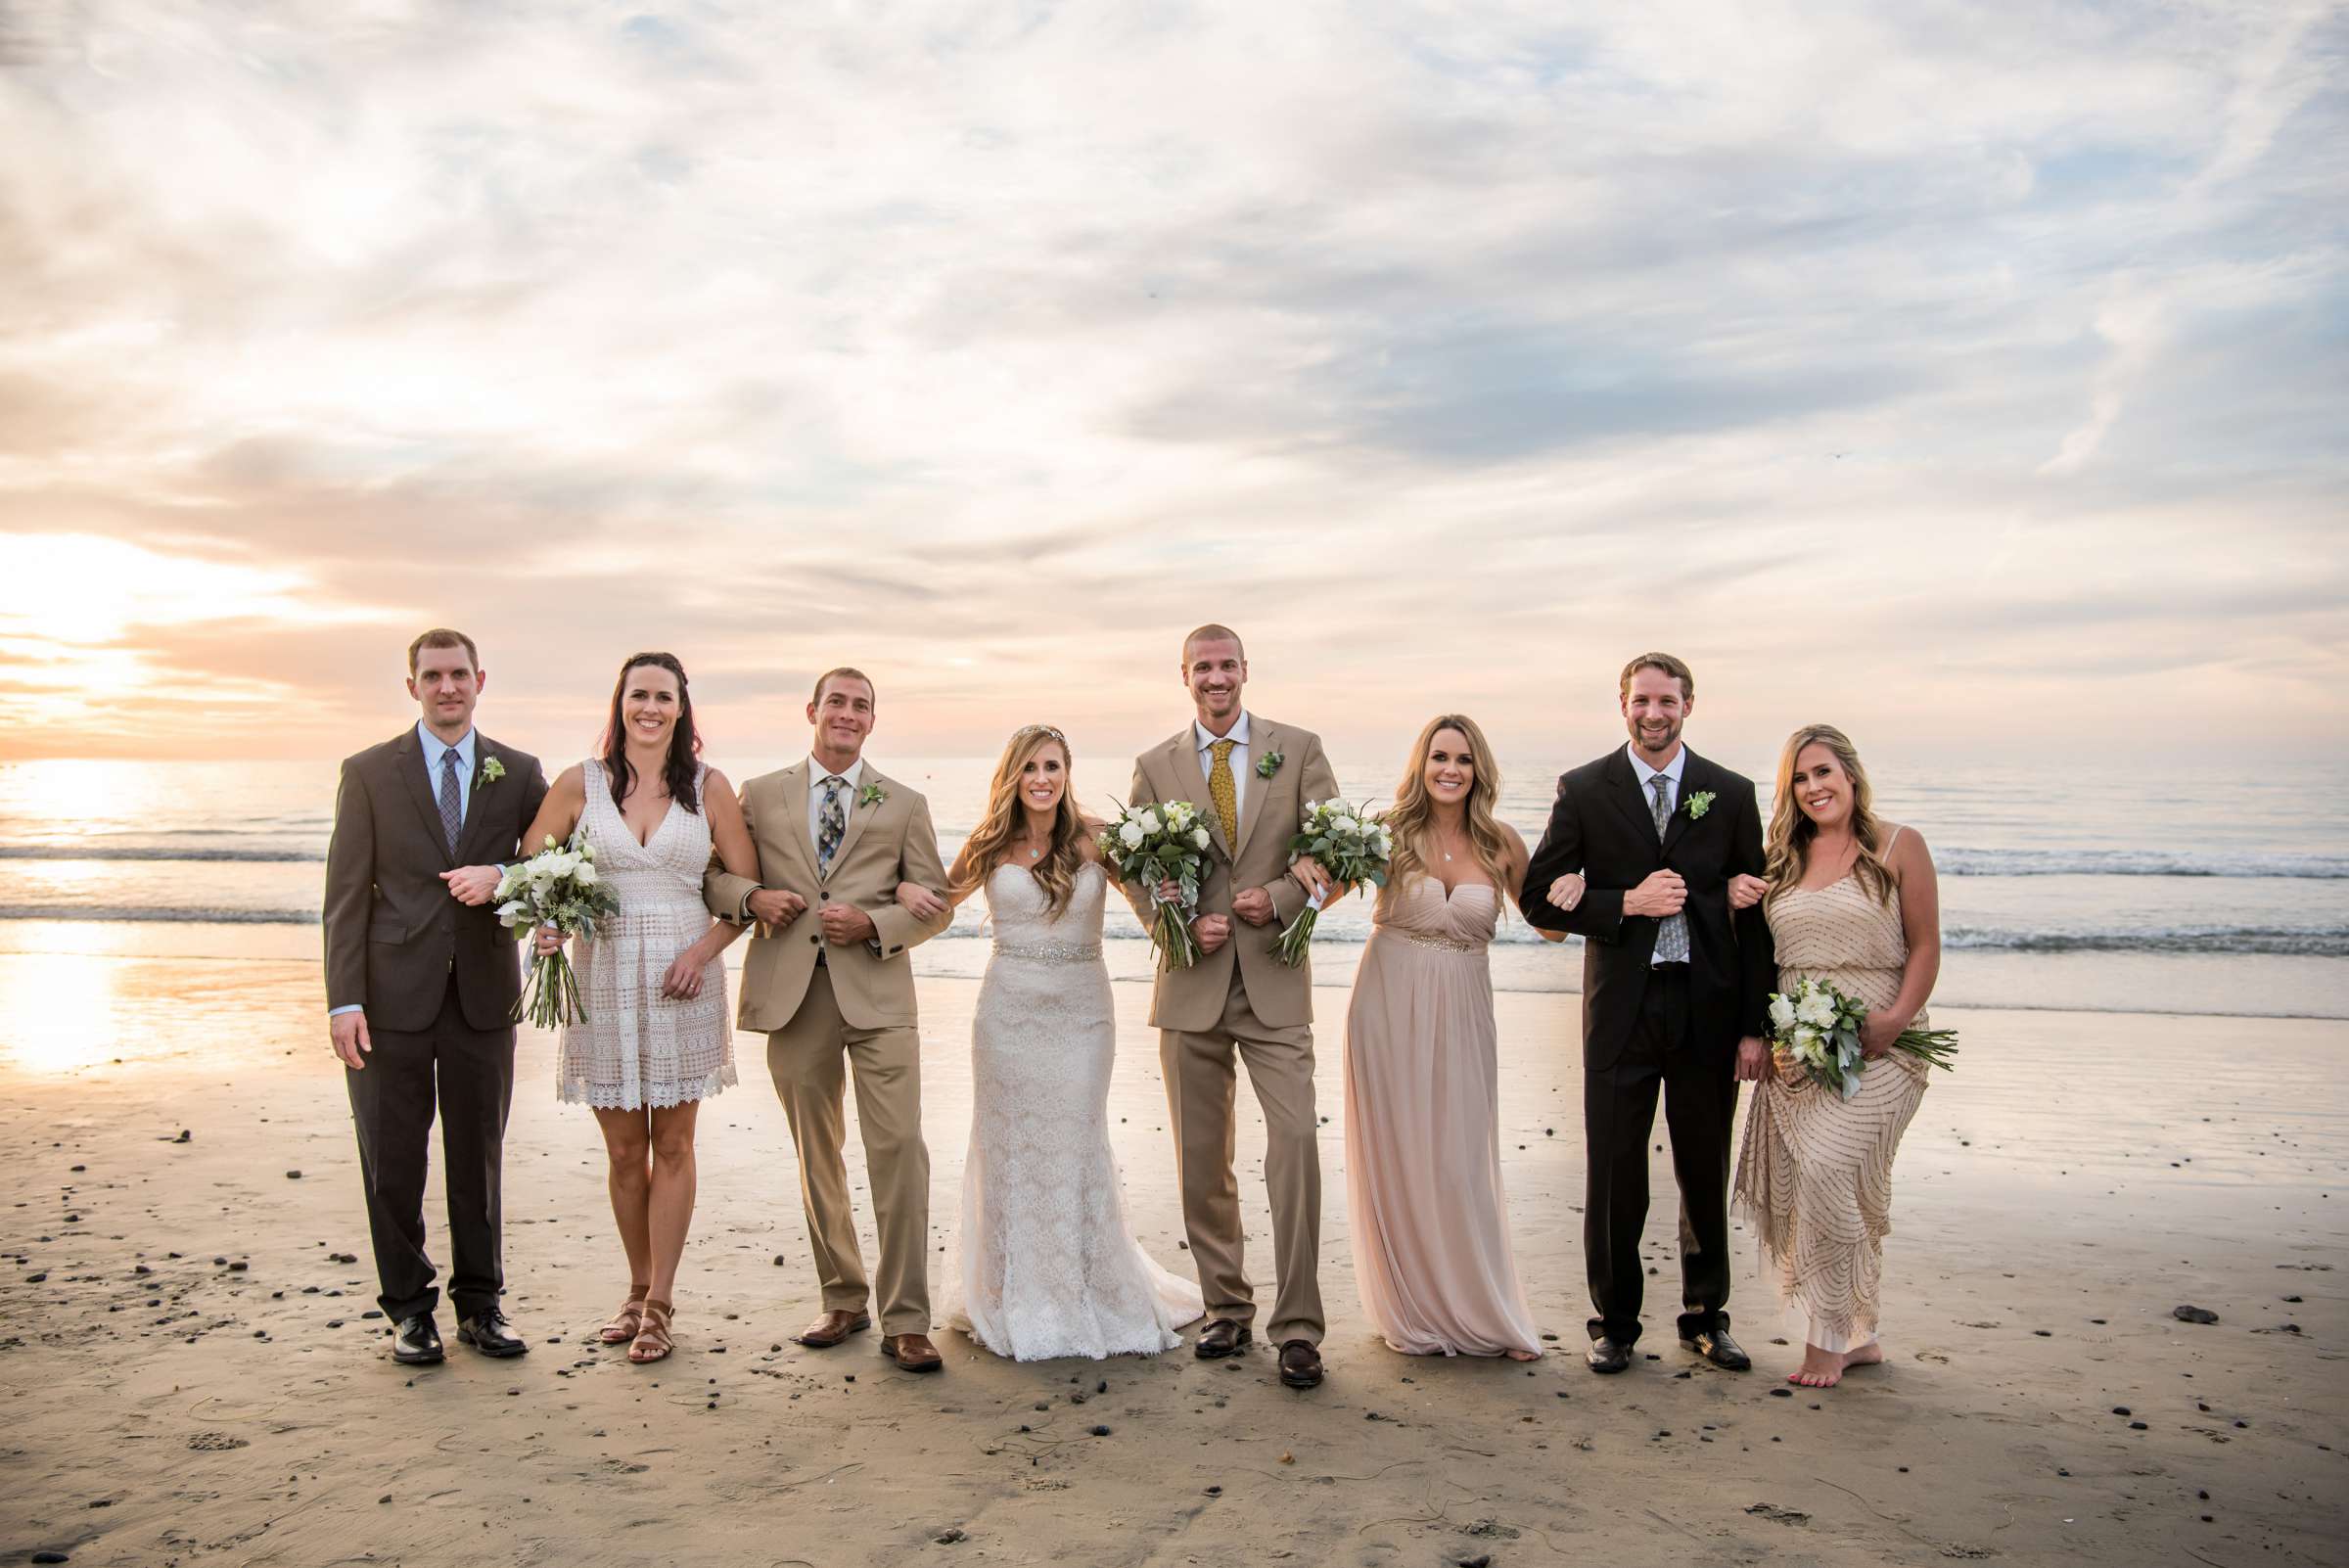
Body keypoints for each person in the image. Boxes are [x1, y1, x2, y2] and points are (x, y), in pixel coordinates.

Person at [448, 653, 759, 1362]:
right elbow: (528, 876)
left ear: (683, 709)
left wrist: (700, 954)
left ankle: (660, 1306)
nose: (650, 707)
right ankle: (634, 1286)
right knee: (624, 1151)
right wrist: (548, 924)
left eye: (664, 697)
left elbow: (745, 894)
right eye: (638, 694)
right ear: (621, 703)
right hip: (605, 973)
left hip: (684, 979)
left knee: (674, 1144)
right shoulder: (578, 785)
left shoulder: (710, 790)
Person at [1520, 652, 1773, 1375]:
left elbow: (1752, 914)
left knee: (1703, 1166)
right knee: (1614, 1171)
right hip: (1621, 1009)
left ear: (1689, 705)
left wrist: (1756, 1026)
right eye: (1641, 701)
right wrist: (1622, 902)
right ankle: (1616, 1324)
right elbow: (1538, 898)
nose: (1653, 713)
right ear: (1622, 704)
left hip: (1707, 1007)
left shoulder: (1729, 792)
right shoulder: (1585, 789)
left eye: (1667, 701)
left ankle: (1706, 1316)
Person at [922, 724, 1203, 1360]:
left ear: (1066, 773)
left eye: (1052, 766)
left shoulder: (1098, 838)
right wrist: (900, 899)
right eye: (1030, 768)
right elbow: (939, 903)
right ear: (1013, 777)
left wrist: (1167, 901)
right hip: (1006, 1016)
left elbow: (1150, 915)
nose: (1042, 778)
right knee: (1011, 1149)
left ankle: (1082, 1289)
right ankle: (1011, 1290)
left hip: (1082, 1016)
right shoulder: (989, 843)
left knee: (1075, 1143)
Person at [702, 668, 955, 1372]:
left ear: (873, 721)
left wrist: (875, 921)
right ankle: (842, 1296)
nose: (848, 714)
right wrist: (752, 899)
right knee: (819, 1154)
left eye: (861, 706)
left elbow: (938, 901)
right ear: (813, 710)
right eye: (837, 702)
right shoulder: (759, 794)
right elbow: (714, 876)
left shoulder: (905, 803)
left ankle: (907, 1317)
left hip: (877, 997)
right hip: (792, 997)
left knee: (900, 1147)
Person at [322, 628, 549, 1365]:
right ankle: (410, 1310)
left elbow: (554, 865)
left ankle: (481, 1306)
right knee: (392, 1157)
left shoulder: (518, 772)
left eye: (459, 675)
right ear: (411, 685)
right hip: (389, 998)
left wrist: (510, 884)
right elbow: (346, 895)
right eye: (432, 676)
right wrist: (343, 1000)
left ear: (480, 680)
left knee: (477, 1155)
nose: (447, 687)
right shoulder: (367, 773)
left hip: (484, 994)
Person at [1123, 623, 1338, 1389]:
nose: (1216, 678)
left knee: (1295, 1147)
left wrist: (1276, 897)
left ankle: (1301, 1327)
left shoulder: (1300, 748)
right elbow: (1137, 873)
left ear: (1246, 670)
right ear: (1184, 676)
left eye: (1227, 666)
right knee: (1200, 1161)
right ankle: (1226, 1306)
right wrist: (1177, 923)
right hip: (1191, 984)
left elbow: (1333, 857)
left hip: (1276, 979)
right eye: (1202, 668)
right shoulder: (1155, 766)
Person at [1345, 715, 1569, 1360]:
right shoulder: (1386, 835)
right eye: (1439, 756)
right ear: (1421, 765)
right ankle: (1411, 1307)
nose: (1450, 769)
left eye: (1464, 759)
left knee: (1459, 1160)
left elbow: (1550, 927)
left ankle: (1483, 1311)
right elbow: (1319, 895)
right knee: (1398, 1151)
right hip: (1386, 1005)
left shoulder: (1500, 842)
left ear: (1479, 770)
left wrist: (1579, 882)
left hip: (1465, 1008)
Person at [1729, 724, 1941, 1388]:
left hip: (1885, 1044)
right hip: (1800, 1050)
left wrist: (1895, 1019)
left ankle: (1825, 1339)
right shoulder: (1780, 859)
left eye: (1824, 772)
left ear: (1850, 775)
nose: (1814, 787)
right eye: (1800, 777)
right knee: (1829, 1184)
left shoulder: (1899, 845)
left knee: (1827, 1168)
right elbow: (1755, 955)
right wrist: (1733, 901)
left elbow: (1927, 945)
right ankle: (1861, 1333)